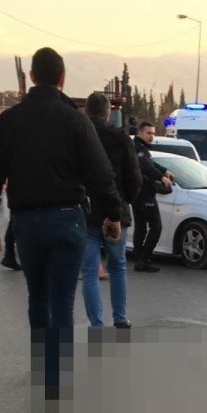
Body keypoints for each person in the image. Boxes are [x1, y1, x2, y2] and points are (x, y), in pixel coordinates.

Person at [0, 47, 122, 399]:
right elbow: (101, 173)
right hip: (67, 221)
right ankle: (57, 379)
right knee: (62, 302)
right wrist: (113, 214)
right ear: (62, 79)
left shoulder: (9, 121)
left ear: (32, 76)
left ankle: (43, 368)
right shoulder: (76, 122)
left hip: (27, 223)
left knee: (37, 296)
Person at [80, 92, 141, 329]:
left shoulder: (80, 135)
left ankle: (96, 324)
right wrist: (125, 200)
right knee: (117, 267)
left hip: (87, 212)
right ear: (108, 113)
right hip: (116, 212)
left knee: (89, 271)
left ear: (86, 111)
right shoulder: (120, 137)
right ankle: (120, 318)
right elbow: (134, 176)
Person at [130, 121, 172, 273]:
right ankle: (144, 259)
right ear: (140, 133)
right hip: (144, 194)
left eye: (153, 133)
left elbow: (150, 163)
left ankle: (138, 258)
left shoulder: (140, 148)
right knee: (156, 227)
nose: (152, 136)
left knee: (141, 228)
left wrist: (164, 170)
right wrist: (162, 177)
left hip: (138, 193)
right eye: (148, 133)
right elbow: (146, 166)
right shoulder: (139, 149)